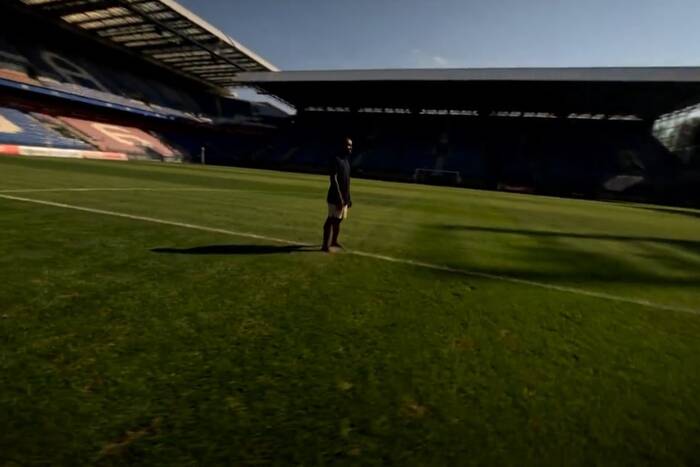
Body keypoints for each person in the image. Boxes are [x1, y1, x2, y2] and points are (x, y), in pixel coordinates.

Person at [322, 136, 353, 252]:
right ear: (342, 146)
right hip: (334, 197)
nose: (350, 147)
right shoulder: (335, 159)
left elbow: (347, 181)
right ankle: (325, 245)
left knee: (338, 220)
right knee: (331, 219)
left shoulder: (346, 161)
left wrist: (348, 198)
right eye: (348, 145)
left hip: (344, 198)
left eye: (351, 145)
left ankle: (334, 241)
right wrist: (339, 198)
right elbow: (333, 179)